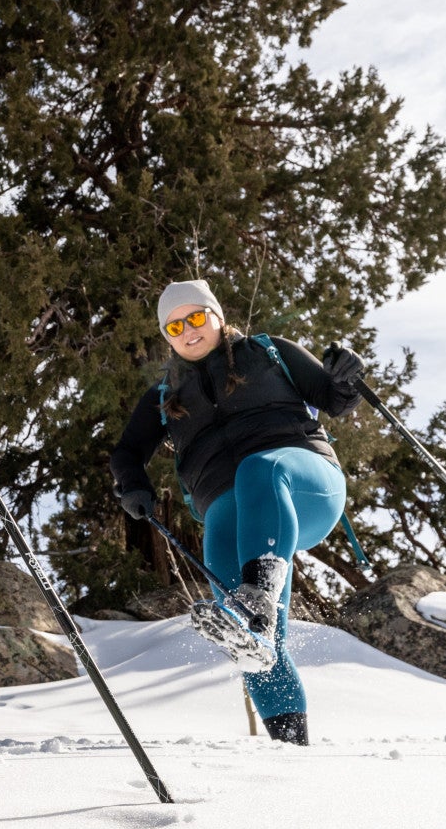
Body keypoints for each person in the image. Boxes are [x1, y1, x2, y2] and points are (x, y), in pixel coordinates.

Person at [107, 280, 364, 745]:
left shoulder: (267, 352)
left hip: (304, 483)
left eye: (196, 317)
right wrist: (133, 486)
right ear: (167, 337)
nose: (188, 331)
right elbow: (127, 453)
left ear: (217, 315)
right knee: (252, 640)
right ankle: (292, 752)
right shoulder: (164, 395)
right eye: (174, 326)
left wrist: (345, 375)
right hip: (234, 516)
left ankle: (258, 594)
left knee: (259, 469)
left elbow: (334, 398)